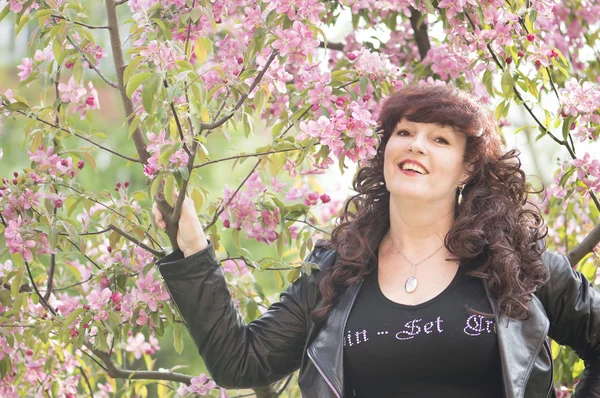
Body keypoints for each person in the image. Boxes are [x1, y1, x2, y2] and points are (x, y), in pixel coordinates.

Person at [152, 84, 600, 398]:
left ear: (467, 170)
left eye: (439, 138)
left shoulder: (517, 262)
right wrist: (193, 251)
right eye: (404, 132)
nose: (416, 145)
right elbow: (241, 362)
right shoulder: (337, 270)